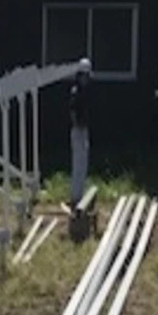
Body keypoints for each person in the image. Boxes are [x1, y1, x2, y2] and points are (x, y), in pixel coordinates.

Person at [68, 57, 92, 206]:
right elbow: (72, 111)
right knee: (78, 163)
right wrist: (78, 125)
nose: (87, 79)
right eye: (85, 75)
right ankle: (76, 196)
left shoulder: (85, 91)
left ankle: (80, 194)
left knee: (84, 162)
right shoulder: (76, 91)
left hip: (84, 129)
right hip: (78, 130)